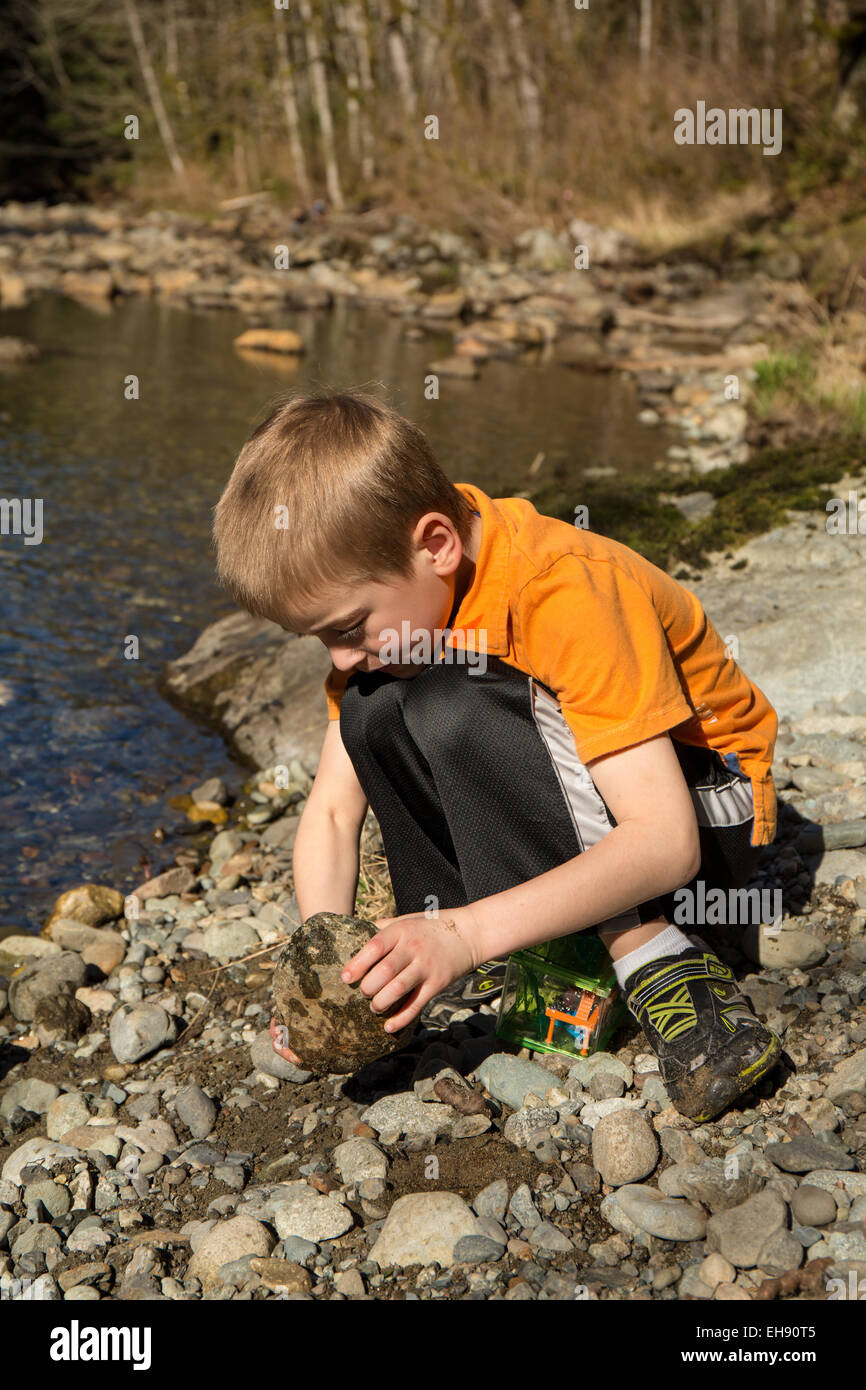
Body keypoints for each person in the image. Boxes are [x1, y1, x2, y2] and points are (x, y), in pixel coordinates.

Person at [212, 388, 784, 1122]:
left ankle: (656, 956)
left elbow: (666, 841)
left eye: (349, 628)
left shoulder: (562, 589)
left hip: (704, 814)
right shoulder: (393, 616)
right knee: (373, 708)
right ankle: (517, 935)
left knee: (454, 702)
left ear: (437, 545)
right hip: (586, 803)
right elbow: (328, 811)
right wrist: (330, 969)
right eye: (320, 638)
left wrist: (465, 934)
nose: (340, 655)